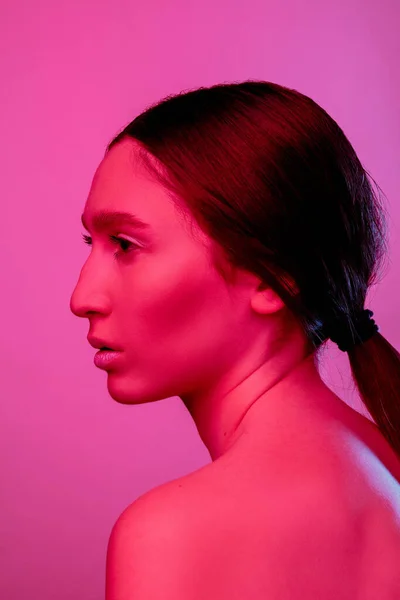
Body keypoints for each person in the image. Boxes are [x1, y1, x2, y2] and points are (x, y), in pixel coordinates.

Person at [70, 80, 400, 599]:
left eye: (126, 245)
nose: (82, 296)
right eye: (93, 243)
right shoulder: (387, 465)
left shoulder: (170, 536)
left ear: (272, 277)